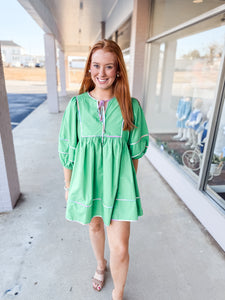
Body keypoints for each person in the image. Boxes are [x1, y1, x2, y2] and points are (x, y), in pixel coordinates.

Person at [58, 39, 149, 300]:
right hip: (86, 183)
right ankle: (100, 264)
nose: (102, 73)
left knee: (120, 248)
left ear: (118, 69)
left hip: (120, 185)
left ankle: (117, 294)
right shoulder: (76, 107)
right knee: (95, 226)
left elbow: (135, 153)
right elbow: (67, 151)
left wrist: (127, 183)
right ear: (89, 69)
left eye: (109, 67)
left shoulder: (131, 107)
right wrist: (68, 185)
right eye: (96, 65)